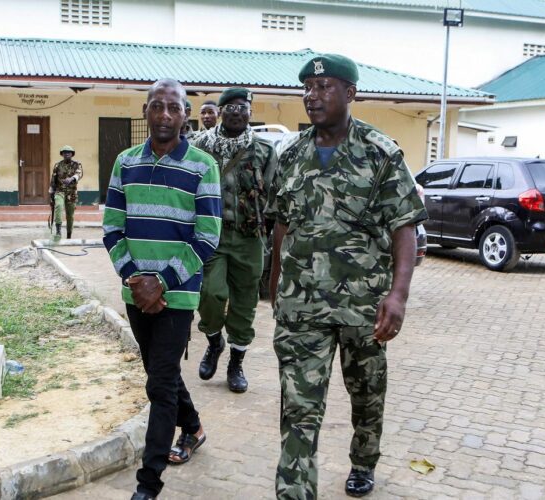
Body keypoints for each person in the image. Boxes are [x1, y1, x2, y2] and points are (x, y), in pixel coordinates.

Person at [267, 54, 427, 498]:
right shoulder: (290, 155)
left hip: (363, 305)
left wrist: (398, 296)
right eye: (307, 88)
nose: (311, 97)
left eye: (324, 88)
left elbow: (404, 227)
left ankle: (364, 460)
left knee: (367, 395)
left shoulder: (380, 153)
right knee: (299, 411)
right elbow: (281, 224)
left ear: (351, 93)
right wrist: (275, 285)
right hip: (301, 306)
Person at [103, 78, 221, 500]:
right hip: (137, 294)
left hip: (178, 295)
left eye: (174, 107)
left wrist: (163, 282)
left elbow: (207, 236)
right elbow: (112, 228)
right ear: (146, 112)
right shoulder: (125, 162)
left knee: (159, 384)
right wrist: (135, 279)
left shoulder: (203, 165)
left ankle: (148, 483)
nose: (165, 115)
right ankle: (193, 427)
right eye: (157, 106)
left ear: (186, 115)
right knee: (161, 373)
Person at [191, 87, 277, 393]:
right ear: (221, 111)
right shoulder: (200, 146)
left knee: (244, 302)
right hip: (211, 234)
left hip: (250, 237)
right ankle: (215, 342)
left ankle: (236, 362)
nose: (238, 113)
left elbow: (273, 197)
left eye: (244, 108)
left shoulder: (264, 150)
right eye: (232, 108)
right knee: (211, 294)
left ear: (250, 113)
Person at [48, 145, 83, 238]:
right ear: (62, 154)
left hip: (72, 193)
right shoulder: (58, 165)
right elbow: (53, 180)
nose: (67, 153)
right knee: (58, 207)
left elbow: (79, 174)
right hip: (60, 191)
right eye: (64, 152)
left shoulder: (77, 164)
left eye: (69, 152)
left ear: (72, 154)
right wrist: (51, 194)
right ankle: (58, 231)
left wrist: (72, 179)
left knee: (70, 215)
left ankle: (69, 235)